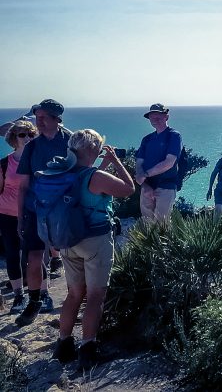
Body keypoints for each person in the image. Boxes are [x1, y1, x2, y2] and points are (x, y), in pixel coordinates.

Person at [46, 129, 135, 371]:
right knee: (95, 296)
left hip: (67, 240)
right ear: (92, 149)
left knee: (74, 294)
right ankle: (87, 349)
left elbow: (85, 184)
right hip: (94, 240)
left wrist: (102, 163)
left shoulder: (62, 171)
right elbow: (128, 189)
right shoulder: (95, 176)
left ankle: (63, 345)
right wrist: (116, 162)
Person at [14, 99, 69, 326]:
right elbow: (23, 185)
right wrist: (19, 217)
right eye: (37, 117)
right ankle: (35, 300)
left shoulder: (72, 141)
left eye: (43, 117)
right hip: (35, 209)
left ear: (57, 118)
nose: (39, 121)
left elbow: (83, 172)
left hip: (64, 210)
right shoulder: (32, 147)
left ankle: (76, 299)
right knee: (34, 257)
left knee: (71, 256)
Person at [1, 120, 37, 312]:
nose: (27, 138)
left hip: (31, 212)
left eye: (31, 134)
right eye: (22, 134)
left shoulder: (37, 160)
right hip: (7, 214)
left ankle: (38, 294)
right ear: (13, 139)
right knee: (13, 255)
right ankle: (18, 296)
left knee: (35, 255)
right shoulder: (5, 163)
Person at [134, 103, 183, 221]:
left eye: (158, 116)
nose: (155, 119)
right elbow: (139, 163)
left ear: (166, 117)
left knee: (162, 223)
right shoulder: (147, 139)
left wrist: (145, 175)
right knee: (147, 222)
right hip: (147, 187)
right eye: (152, 116)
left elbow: (169, 162)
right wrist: (145, 185)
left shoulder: (174, 136)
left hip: (166, 185)